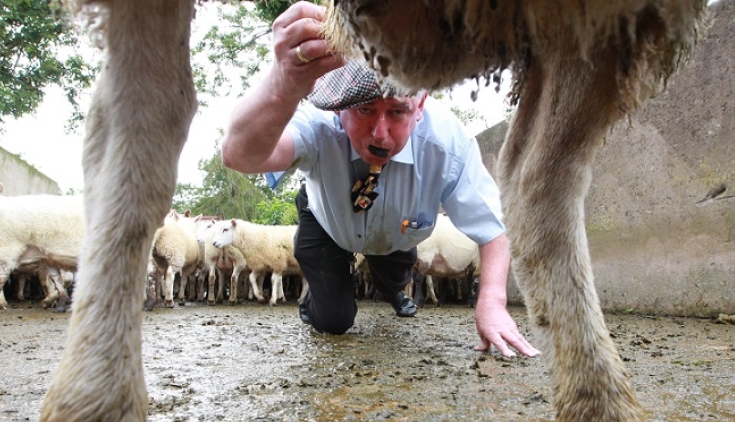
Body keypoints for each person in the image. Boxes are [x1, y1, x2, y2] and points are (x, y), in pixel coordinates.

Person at [221, 1, 539, 359]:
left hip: (398, 234)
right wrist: (282, 83)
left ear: (420, 106)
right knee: (334, 319)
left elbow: (495, 227)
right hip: (327, 223)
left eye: (398, 111)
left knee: (394, 282)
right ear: (341, 106)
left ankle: (392, 287)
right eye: (365, 109)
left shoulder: (447, 144)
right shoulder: (319, 124)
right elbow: (238, 155)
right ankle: (319, 298)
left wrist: (493, 302)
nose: (380, 133)